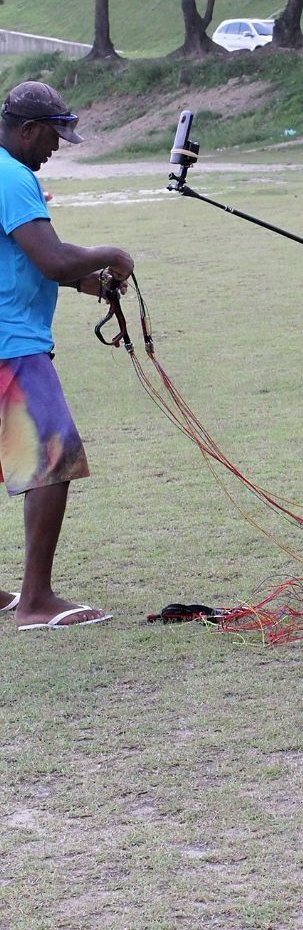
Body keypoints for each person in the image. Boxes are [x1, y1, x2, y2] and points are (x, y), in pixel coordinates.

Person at [0, 81, 134, 630]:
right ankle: (36, 601)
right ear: (27, 130)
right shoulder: (12, 175)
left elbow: (23, 255)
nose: (56, 148)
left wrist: (90, 283)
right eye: (52, 137)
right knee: (50, 465)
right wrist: (114, 256)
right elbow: (51, 258)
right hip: (13, 345)